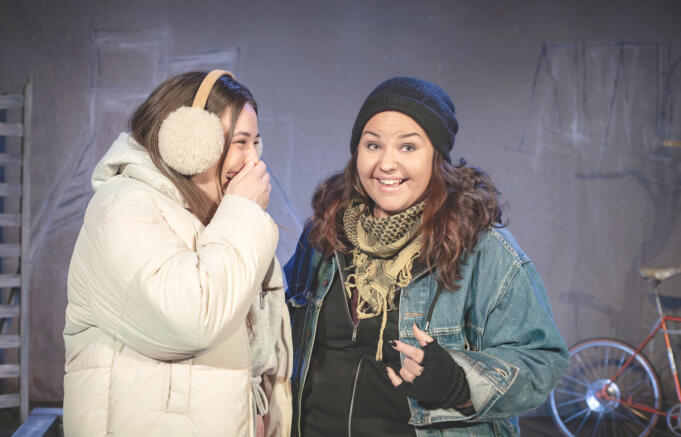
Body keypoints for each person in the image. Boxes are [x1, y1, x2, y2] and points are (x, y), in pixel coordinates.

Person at [285, 77, 569, 436]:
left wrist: (459, 383)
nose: (386, 163)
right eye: (373, 145)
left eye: (408, 147)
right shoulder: (324, 234)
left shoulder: (480, 248)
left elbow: (542, 361)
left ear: (436, 157)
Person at [63, 70, 292, 437]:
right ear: (189, 141)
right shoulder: (122, 207)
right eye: (240, 142)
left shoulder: (218, 220)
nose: (254, 161)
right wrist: (244, 211)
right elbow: (193, 319)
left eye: (256, 144)